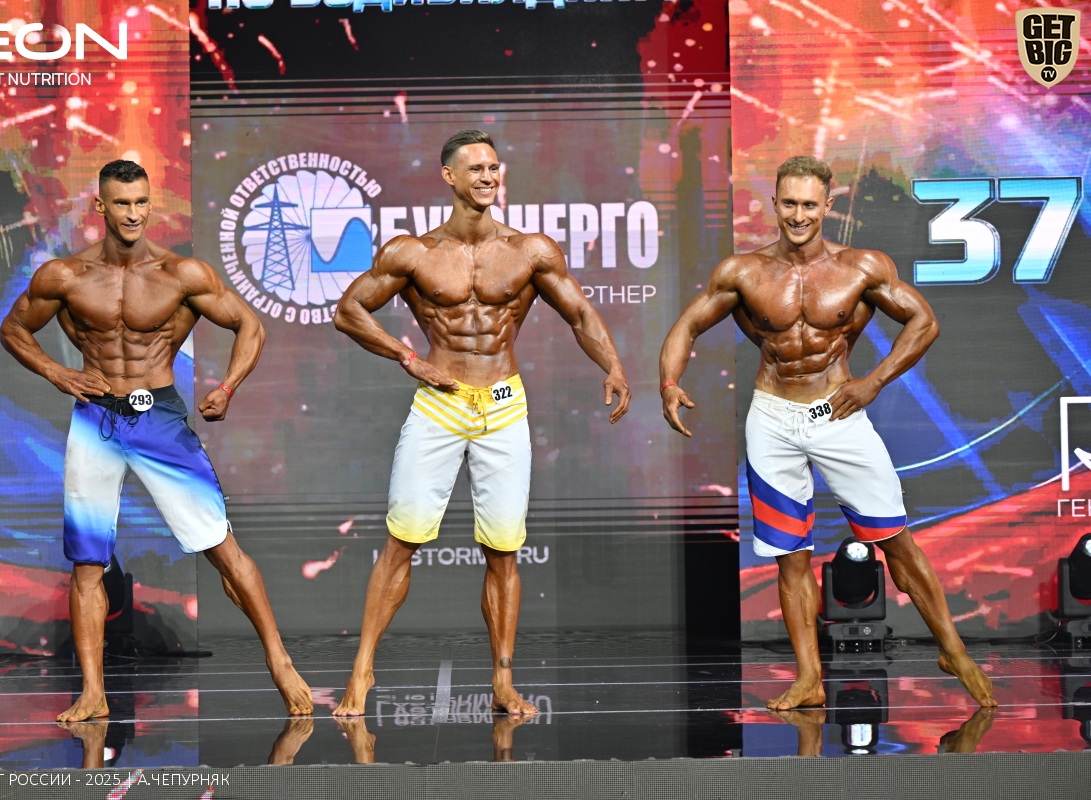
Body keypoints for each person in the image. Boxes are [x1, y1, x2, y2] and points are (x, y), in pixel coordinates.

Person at [658, 155, 996, 710]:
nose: (798, 215)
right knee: (789, 555)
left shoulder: (861, 267)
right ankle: (809, 677)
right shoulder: (743, 272)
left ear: (827, 206)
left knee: (895, 542)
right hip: (772, 418)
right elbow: (687, 325)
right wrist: (671, 383)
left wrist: (874, 382)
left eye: (809, 205)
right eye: (789, 203)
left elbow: (925, 321)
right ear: (774, 203)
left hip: (838, 413)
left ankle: (953, 650)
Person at [0, 160, 314, 722]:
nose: (133, 214)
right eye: (122, 203)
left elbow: (250, 324)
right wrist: (58, 373)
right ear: (101, 207)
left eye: (141, 202)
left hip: (158, 418)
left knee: (222, 547)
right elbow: (13, 328)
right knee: (87, 563)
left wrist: (228, 387)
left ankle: (280, 660)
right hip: (96, 419)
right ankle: (93, 692)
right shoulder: (65, 276)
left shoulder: (181, 274)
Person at [331, 130, 631, 716]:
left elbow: (579, 313)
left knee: (503, 550)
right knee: (401, 541)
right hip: (440, 404)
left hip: (503, 405)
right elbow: (348, 310)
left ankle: (503, 679)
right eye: (475, 169)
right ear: (449, 176)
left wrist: (614, 365)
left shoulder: (529, 251)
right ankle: (362, 671)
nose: (488, 177)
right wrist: (408, 358)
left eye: (494, 167)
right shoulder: (413, 253)